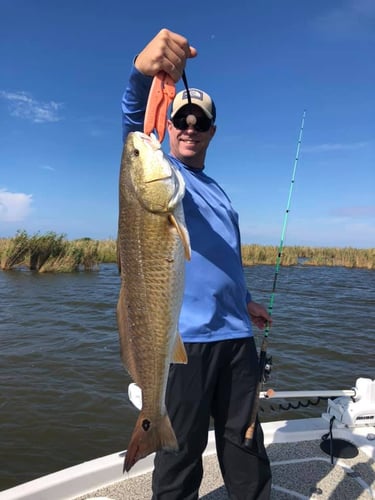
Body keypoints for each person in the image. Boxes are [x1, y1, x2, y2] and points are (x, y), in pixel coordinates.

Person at [121, 28, 272, 500]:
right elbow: (133, 127)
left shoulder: (220, 192)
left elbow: (225, 256)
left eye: (198, 121)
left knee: (245, 449)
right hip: (184, 343)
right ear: (169, 125)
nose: (188, 126)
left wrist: (244, 301)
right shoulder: (165, 177)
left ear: (211, 131)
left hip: (236, 341)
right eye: (180, 118)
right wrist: (140, 77)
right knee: (181, 456)